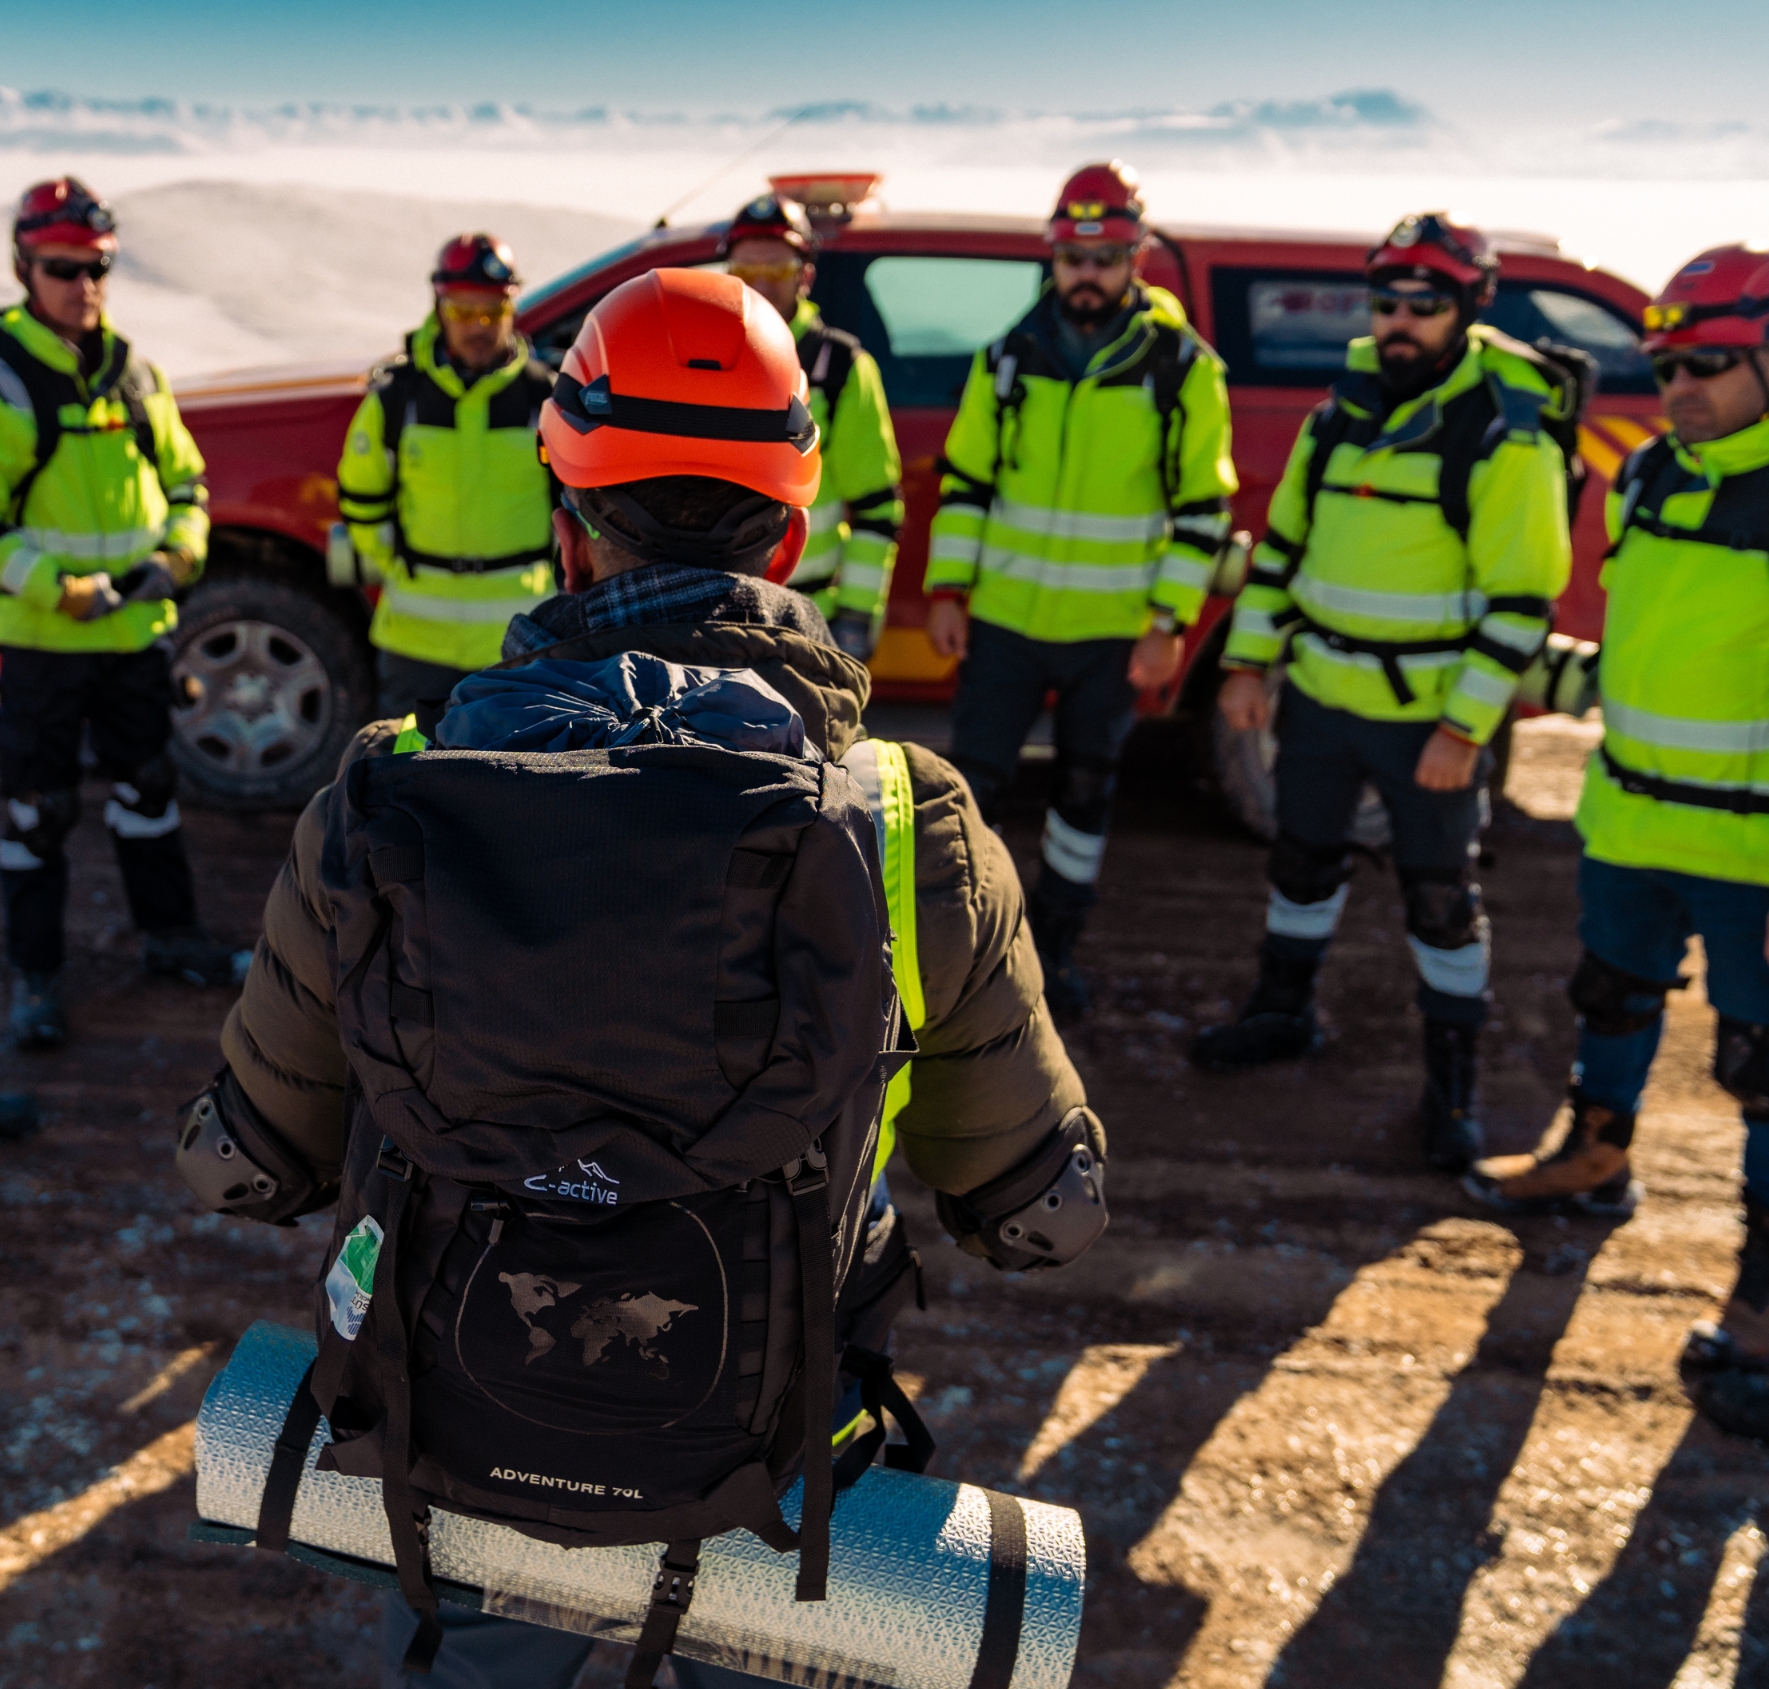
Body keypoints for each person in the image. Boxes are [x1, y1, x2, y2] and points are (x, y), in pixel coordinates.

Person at [179, 267, 1105, 1688]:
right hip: (764, 1473)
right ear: (791, 532)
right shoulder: (907, 825)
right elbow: (1041, 1214)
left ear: (566, 526)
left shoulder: (382, 799)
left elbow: (241, 1167)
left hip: (454, 1460)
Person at [1193, 214, 1574, 1173]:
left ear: (1469, 307)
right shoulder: (1340, 415)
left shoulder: (1501, 435)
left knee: (1441, 900)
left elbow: (1523, 602)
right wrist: (1245, 666)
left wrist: (1463, 728)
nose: (1401, 321)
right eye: (1388, 302)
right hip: (1317, 701)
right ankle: (1283, 1012)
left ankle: (1453, 1087)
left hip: (1427, 723)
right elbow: (1279, 554)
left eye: (1426, 305)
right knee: (1300, 863)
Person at [1463, 246, 1769, 1432]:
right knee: (1610, 997)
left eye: (1704, 363)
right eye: (1663, 362)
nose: (1677, 384)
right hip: (1631, 817)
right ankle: (1595, 1157)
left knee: (1759, 1068)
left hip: (1749, 849)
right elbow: (1648, 651)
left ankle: (1757, 1305)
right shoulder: (1644, 472)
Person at [924, 161, 1237, 1017]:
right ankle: (957, 943)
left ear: (1134, 255)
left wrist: (1169, 622)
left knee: (1084, 791)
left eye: (1104, 257)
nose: (1087, 274)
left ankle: (1054, 950)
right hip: (1004, 622)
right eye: (1072, 257)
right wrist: (948, 590)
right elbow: (965, 486)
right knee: (974, 784)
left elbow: (1203, 511)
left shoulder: (1180, 368)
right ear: (1051, 257)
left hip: (1111, 630)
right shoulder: (1007, 361)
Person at [0, 177, 242, 1049]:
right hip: (41, 643)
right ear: (24, 264)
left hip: (135, 633)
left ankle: (172, 941)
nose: (83, 283)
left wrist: (179, 552)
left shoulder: (134, 369)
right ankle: (36, 974)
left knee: (150, 792)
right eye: (63, 267)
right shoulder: (6, 374)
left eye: (98, 265)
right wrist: (49, 587)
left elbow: (187, 483)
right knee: (38, 809)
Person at [336, 233, 558, 719]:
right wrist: (402, 564)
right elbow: (361, 499)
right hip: (415, 641)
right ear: (439, 308)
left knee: (515, 783)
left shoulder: (546, 401)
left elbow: (575, 510)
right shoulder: (397, 400)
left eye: (491, 312)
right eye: (462, 311)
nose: (477, 326)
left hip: (519, 638)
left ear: (511, 308)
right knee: (403, 776)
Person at [720, 191, 902, 659]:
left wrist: (856, 618)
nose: (760, 283)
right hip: (711, 614)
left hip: (805, 618)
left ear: (806, 275)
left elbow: (877, 508)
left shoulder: (840, 367)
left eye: (777, 270)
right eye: (745, 271)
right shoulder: (700, 361)